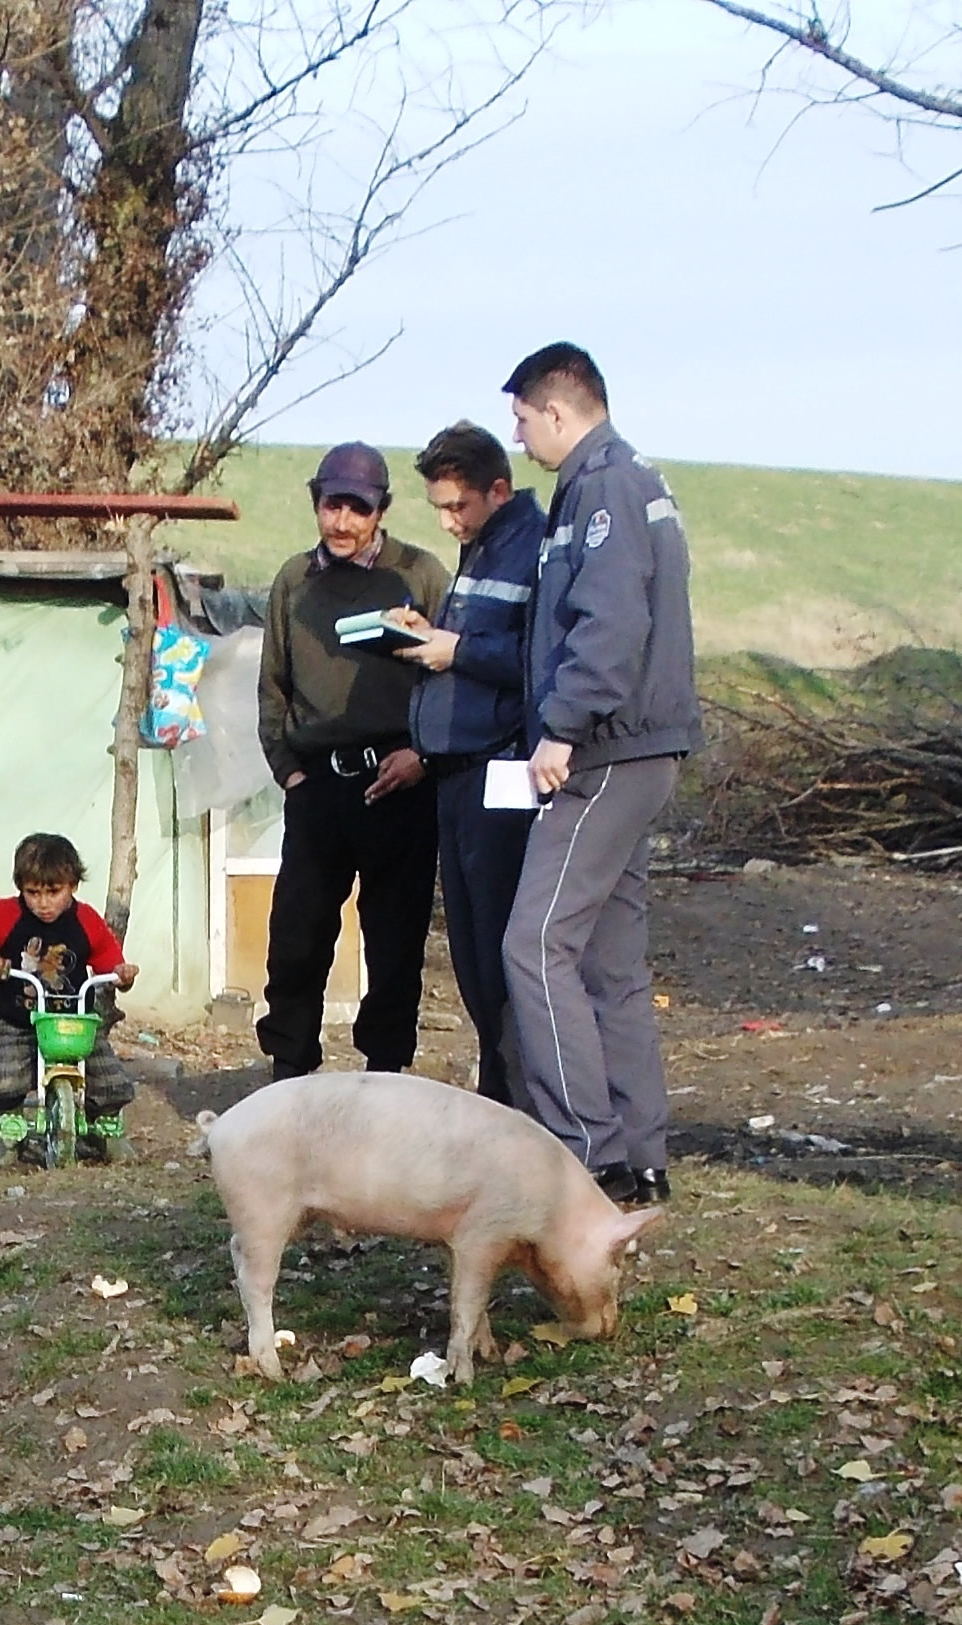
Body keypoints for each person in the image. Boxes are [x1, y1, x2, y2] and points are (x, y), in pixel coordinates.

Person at [498, 342, 699, 1207]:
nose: (517, 436)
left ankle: (585, 1150)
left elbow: (608, 624)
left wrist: (561, 728)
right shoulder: (627, 480)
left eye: (521, 419)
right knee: (611, 961)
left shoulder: (603, 487)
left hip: (606, 749)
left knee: (534, 944)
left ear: (556, 409)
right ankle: (639, 1159)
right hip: (640, 747)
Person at [254, 442, 453, 1081]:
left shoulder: (420, 575)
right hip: (318, 785)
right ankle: (289, 1075)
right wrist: (289, 771)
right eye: (331, 505)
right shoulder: (295, 580)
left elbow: (452, 677)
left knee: (394, 943)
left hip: (399, 783)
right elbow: (273, 684)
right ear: (316, 502)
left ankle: (385, 1077)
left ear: (381, 511)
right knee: (296, 938)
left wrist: (423, 755)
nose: (341, 522)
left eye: (357, 509)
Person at [390, 421, 547, 1105]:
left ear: (498, 490)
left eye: (458, 506)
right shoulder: (481, 548)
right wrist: (430, 636)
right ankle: (498, 1094)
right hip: (456, 771)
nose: (448, 522)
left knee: (499, 951)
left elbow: (538, 657)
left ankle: (520, 1103)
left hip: (500, 768)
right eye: (439, 509)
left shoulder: (531, 550)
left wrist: (455, 651)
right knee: (472, 956)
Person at [0, 834, 139, 1167]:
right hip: (20, 1021)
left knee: (110, 1080)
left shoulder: (85, 920)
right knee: (6, 1080)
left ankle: (105, 1129)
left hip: (74, 1021)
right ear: (20, 888)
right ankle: (10, 1132)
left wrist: (120, 973)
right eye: (33, 892)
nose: (43, 903)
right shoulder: (4, 915)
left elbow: (107, 955)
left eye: (54, 892)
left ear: (73, 885)